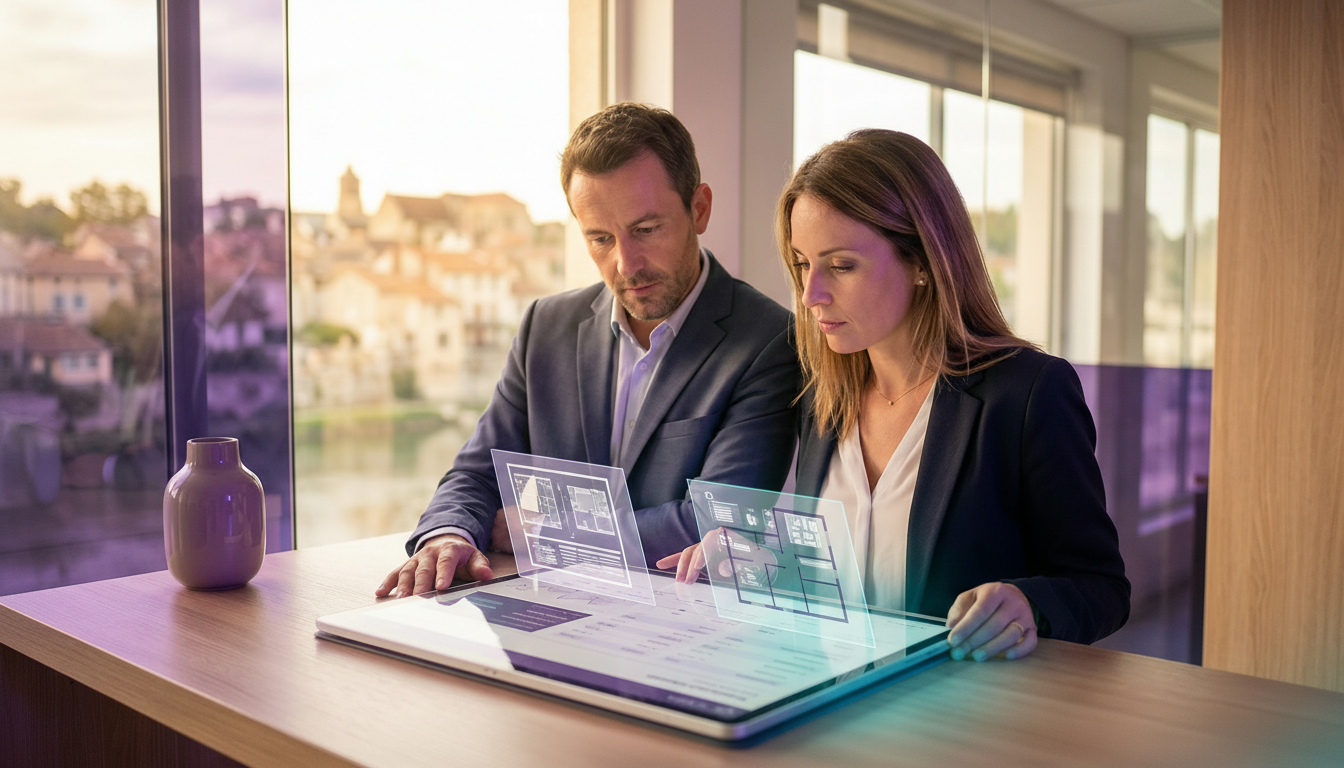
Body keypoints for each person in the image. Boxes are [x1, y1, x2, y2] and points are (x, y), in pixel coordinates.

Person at [658, 129, 1129, 662]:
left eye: (841, 265)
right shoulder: (822, 399)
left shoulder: (1026, 393)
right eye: (802, 264)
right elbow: (843, 575)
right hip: (831, 708)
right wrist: (754, 560)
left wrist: (1028, 604)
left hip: (961, 720)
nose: (811, 294)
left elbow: (1102, 589)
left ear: (923, 262)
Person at [377, 103, 798, 598]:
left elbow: (714, 517)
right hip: (548, 614)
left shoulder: (771, 340)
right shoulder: (546, 326)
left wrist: (539, 533)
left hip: (683, 623)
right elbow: (476, 472)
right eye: (599, 238)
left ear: (699, 209)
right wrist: (449, 535)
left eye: (646, 230)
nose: (625, 263)